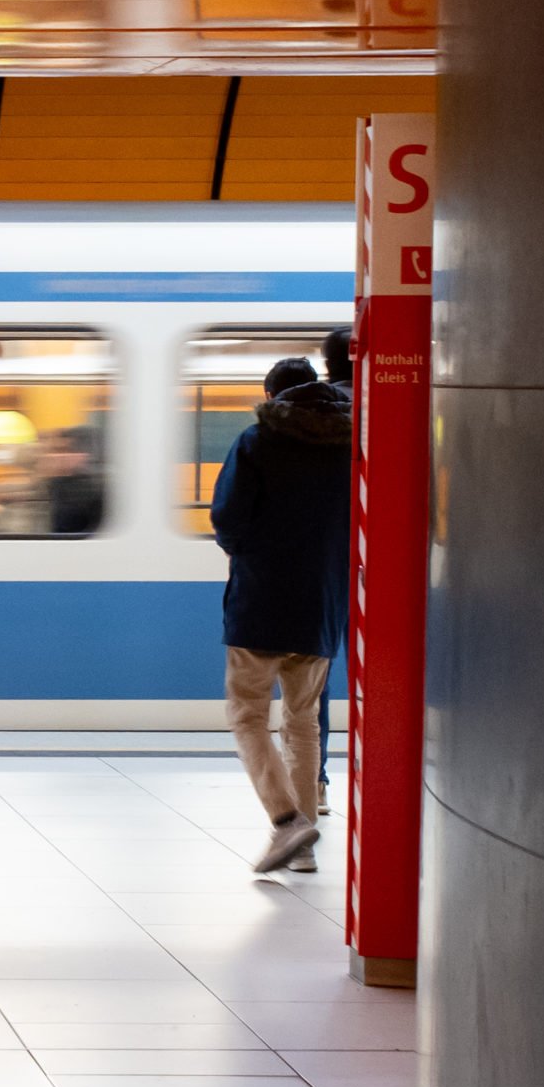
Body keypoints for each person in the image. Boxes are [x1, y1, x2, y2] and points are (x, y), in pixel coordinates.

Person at [210, 355, 352, 873]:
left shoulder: (257, 440)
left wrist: (245, 550)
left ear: (272, 397)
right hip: (323, 602)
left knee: (247, 714)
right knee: (304, 720)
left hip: (261, 599)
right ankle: (305, 849)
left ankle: (288, 821)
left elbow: (227, 517)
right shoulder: (349, 445)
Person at [316, 326, 356, 815]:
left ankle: (317, 781)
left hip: (320, 565)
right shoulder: (389, 406)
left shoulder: (309, 415)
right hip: (378, 565)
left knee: (315, 680)